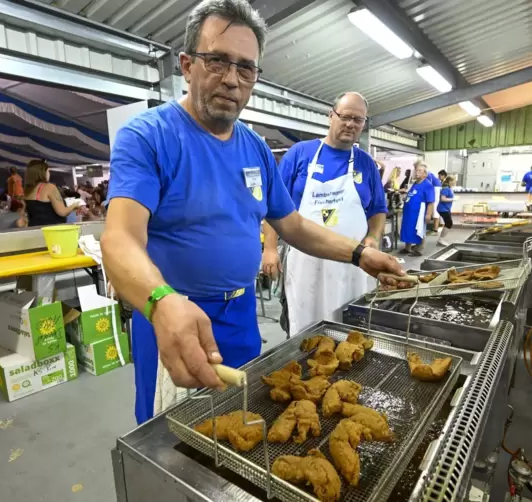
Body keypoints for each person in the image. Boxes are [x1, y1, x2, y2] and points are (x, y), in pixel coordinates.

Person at [100, 0, 403, 425]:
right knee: (171, 436)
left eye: (246, 68)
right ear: (186, 65)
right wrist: (161, 303)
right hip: (176, 317)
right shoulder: (149, 136)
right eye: (217, 61)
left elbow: (292, 223)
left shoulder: (256, 148)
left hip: (241, 316)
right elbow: (120, 239)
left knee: (242, 424)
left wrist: (359, 253)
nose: (231, 79)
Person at [261, 91, 387, 335]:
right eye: (346, 116)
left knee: (353, 327)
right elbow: (273, 206)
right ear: (331, 116)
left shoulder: (366, 163)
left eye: (358, 120)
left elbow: (378, 210)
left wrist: (373, 237)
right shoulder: (300, 154)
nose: (351, 124)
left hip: (355, 263)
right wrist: (269, 249)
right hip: (306, 261)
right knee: (305, 326)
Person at [23, 160, 80, 227]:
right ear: (43, 173)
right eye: (48, 171)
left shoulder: (27, 190)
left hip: (34, 228)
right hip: (51, 230)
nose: (49, 174)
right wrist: (75, 205)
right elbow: (62, 212)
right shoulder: (49, 187)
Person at [399, 163, 435, 255]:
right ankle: (407, 248)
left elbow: (431, 201)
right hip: (409, 212)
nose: (416, 172)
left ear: (425, 174)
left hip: (419, 212)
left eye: (419, 171)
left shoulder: (428, 185)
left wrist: (428, 214)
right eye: (416, 170)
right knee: (409, 228)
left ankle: (419, 250)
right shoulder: (415, 183)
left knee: (420, 229)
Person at [436, 174, 456, 247]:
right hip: (442, 209)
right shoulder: (446, 188)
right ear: (450, 181)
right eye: (454, 181)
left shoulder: (450, 188)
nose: (455, 182)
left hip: (446, 209)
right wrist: (453, 199)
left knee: (448, 223)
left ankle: (441, 239)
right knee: (449, 223)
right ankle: (441, 239)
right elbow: (443, 199)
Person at [426, 167, 443, 234]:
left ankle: (435, 229)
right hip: (437, 189)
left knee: (435, 208)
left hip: (435, 189)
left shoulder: (428, 175)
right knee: (435, 208)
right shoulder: (431, 174)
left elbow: (428, 185)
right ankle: (435, 228)